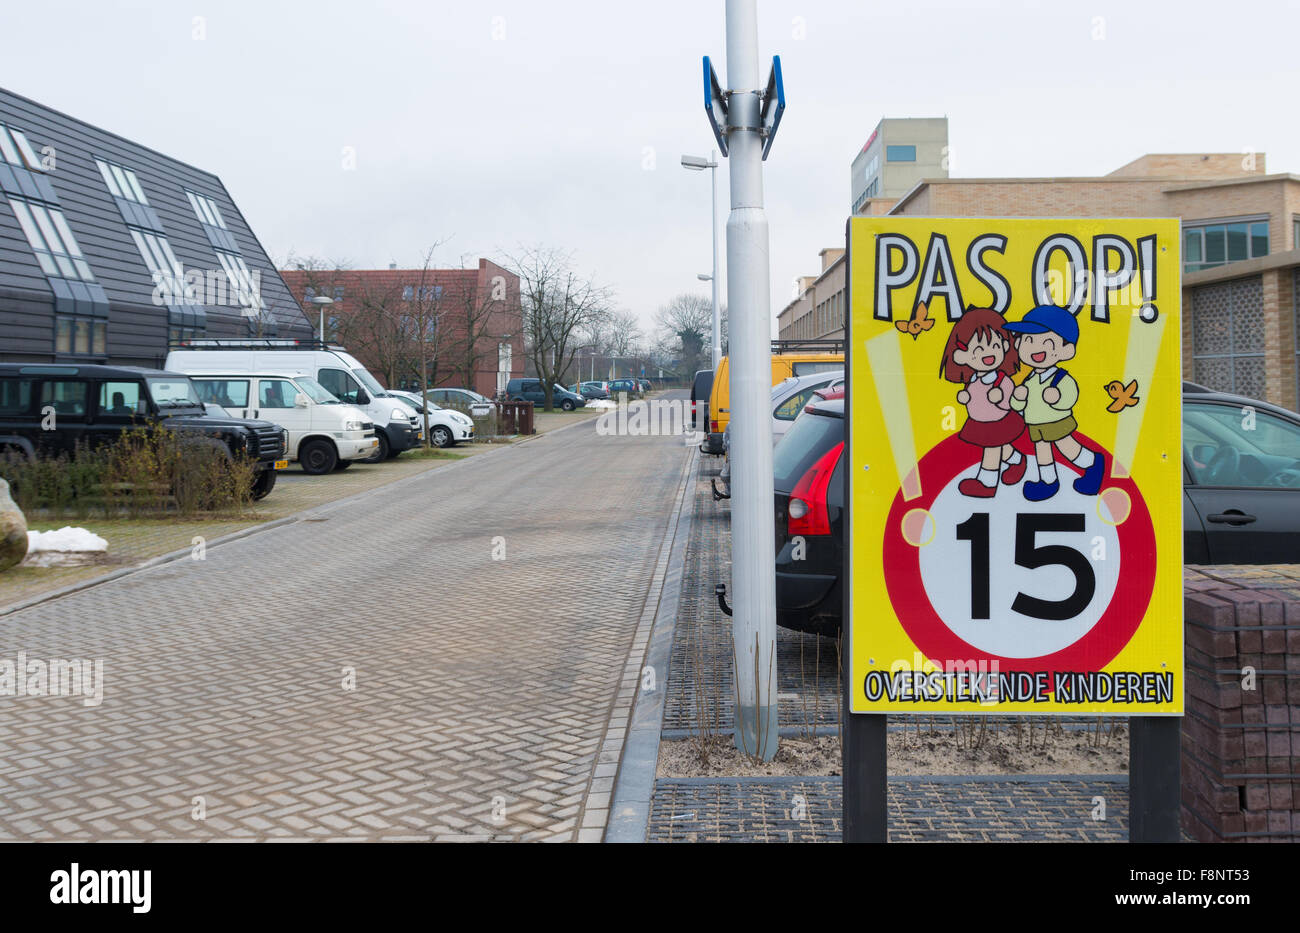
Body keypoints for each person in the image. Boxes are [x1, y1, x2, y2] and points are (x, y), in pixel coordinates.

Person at [1005, 305, 1106, 501]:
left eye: (1048, 342)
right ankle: (1048, 482)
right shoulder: (1030, 380)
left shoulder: (1060, 378)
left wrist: (1058, 398)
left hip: (1057, 422)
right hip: (1035, 424)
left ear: (1066, 350)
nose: (1036, 348)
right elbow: (1017, 407)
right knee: (1042, 452)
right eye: (1029, 340)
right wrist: (1018, 397)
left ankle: (1093, 463)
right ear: (1018, 345)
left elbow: (1070, 395)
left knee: (1068, 448)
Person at [940, 308, 1027, 498]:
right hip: (980, 422)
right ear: (961, 356)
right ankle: (1017, 460)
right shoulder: (973, 380)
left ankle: (987, 482)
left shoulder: (1001, 380)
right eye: (978, 349)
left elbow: (1009, 399)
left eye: (994, 346)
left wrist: (1001, 397)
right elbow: (974, 398)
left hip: (1000, 421)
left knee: (992, 448)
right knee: (999, 446)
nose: (988, 353)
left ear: (1005, 346)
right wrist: (966, 398)